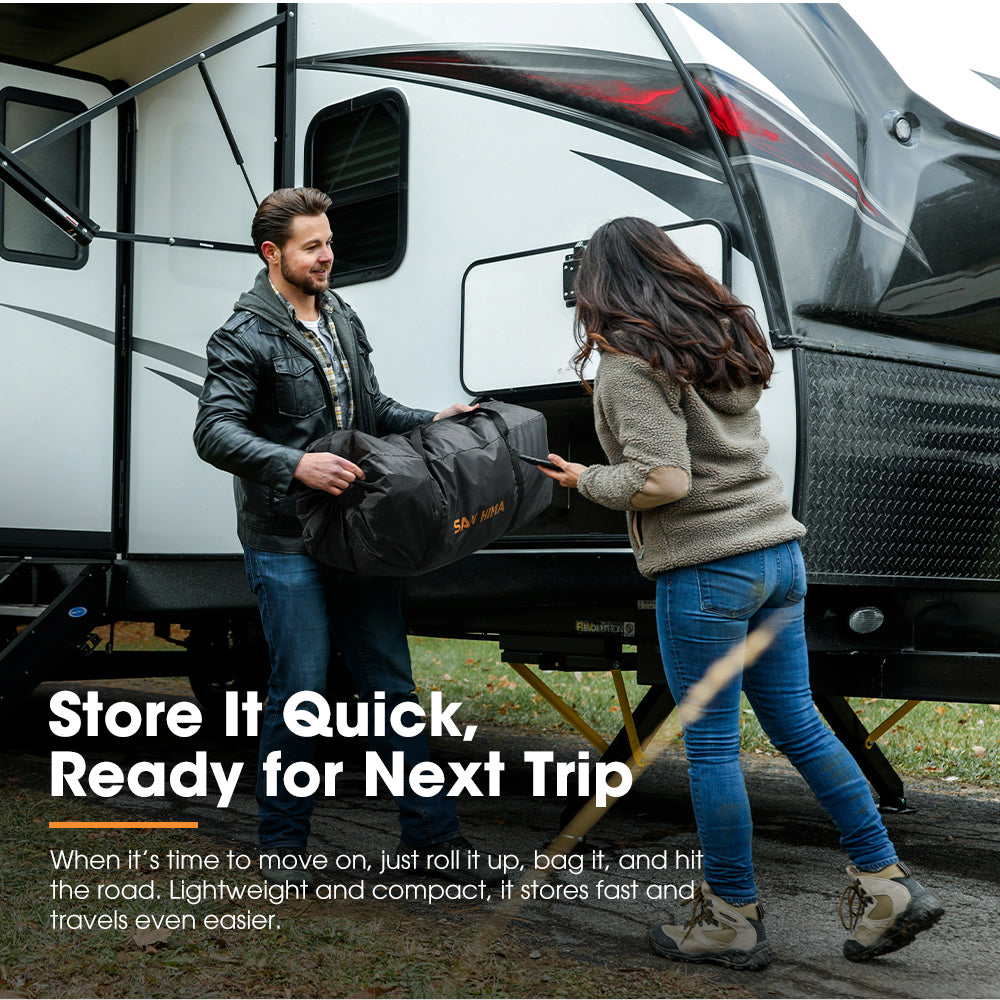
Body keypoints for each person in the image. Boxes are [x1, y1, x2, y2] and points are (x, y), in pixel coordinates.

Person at [540, 217, 943, 970]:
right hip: (778, 556)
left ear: (601, 286)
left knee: (714, 750)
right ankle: (885, 882)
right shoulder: (721, 340)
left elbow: (663, 480)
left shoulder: (632, 363)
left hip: (707, 568)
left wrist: (585, 480)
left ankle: (729, 917)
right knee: (800, 725)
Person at [194, 187, 495, 889]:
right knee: (299, 690)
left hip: (359, 532)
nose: (328, 256)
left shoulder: (343, 316)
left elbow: (372, 407)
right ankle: (283, 851)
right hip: (285, 538)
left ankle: (433, 846)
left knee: (391, 685)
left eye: (328, 242)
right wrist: (293, 462)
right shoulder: (243, 335)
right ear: (273, 253)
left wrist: (436, 418)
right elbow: (215, 431)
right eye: (312, 246)